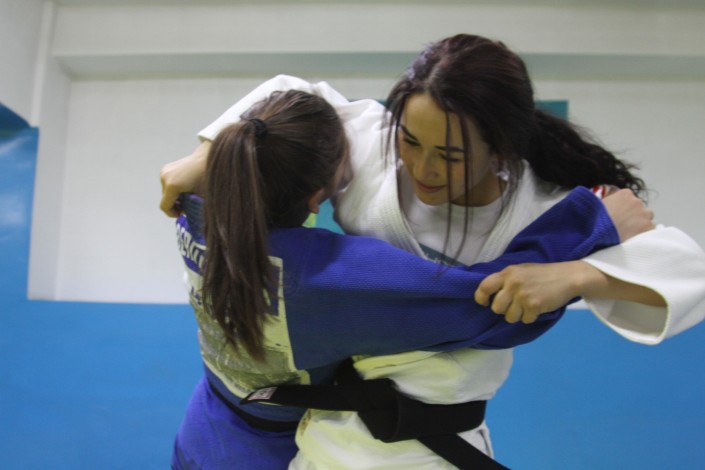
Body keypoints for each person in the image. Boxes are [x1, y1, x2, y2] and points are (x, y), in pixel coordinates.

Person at [162, 34, 705, 469]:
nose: (422, 169)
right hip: (327, 431)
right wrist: (202, 156)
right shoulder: (372, 149)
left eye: (450, 155)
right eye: (410, 140)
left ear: (502, 148)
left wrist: (578, 275)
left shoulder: (545, 211)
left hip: (433, 441)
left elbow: (689, 271)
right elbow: (291, 96)